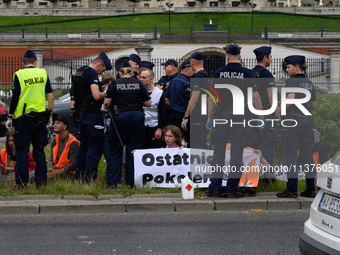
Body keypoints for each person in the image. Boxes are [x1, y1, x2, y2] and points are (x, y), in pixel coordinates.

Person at [207, 45, 263, 198]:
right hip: (239, 115)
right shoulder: (247, 73)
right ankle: (232, 189)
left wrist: (209, 118)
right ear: (239, 57)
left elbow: (212, 98)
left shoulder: (219, 72)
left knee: (218, 152)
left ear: (227, 56)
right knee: (236, 153)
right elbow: (255, 98)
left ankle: (214, 188)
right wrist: (260, 117)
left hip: (223, 115)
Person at [6, 49, 54, 189]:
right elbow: (50, 96)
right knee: (39, 150)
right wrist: (50, 115)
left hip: (23, 119)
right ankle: (41, 182)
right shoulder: (42, 73)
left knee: (22, 150)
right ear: (35, 62)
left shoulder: (19, 74)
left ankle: (21, 183)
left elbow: (15, 97)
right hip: (40, 118)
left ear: (22, 62)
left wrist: (10, 116)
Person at [103, 59, 151, 189]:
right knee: (133, 150)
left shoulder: (115, 84)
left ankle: (113, 182)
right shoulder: (138, 83)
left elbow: (106, 104)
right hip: (137, 117)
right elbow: (148, 103)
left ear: (119, 72)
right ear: (132, 72)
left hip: (120, 118)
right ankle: (131, 182)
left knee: (116, 150)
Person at [276, 55, 317, 198]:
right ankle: (311, 189)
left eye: (288, 67)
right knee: (307, 157)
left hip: (293, 121)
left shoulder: (291, 81)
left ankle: (292, 190)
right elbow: (313, 104)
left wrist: (279, 110)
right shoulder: (308, 82)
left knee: (291, 156)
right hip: (306, 121)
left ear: (297, 67)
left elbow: (290, 99)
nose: (286, 70)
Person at [76, 51, 112, 183]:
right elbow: (96, 96)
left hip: (82, 114)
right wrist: (106, 91)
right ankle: (90, 178)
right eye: (103, 69)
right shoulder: (91, 73)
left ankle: (79, 176)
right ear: (99, 64)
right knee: (94, 146)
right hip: (92, 115)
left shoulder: (80, 72)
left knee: (83, 146)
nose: (102, 73)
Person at [250, 46, 280, 165]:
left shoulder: (250, 74)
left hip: (252, 115)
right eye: (270, 57)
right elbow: (272, 97)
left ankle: (252, 176)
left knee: (252, 147)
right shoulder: (267, 75)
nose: (271, 59)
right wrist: (278, 115)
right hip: (267, 116)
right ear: (265, 58)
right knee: (268, 146)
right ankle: (267, 178)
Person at [182, 51, 210, 149]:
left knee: (197, 144)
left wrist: (185, 117)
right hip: (203, 114)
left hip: (197, 115)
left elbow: (194, 98)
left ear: (192, 63)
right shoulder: (206, 75)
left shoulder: (199, 77)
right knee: (201, 142)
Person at [164, 60, 194, 145]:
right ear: (187, 69)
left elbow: (166, 99)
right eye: (193, 69)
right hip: (184, 115)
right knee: (189, 139)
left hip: (173, 115)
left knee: (176, 140)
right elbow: (191, 100)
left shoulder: (173, 81)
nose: (194, 72)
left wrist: (174, 105)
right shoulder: (187, 82)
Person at [48, 115, 80, 180]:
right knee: (40, 175)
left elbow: (74, 163)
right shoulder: (54, 140)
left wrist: (58, 172)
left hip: (69, 172)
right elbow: (51, 160)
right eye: (55, 123)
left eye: (58, 123)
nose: (55, 125)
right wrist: (51, 169)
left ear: (64, 127)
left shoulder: (73, 142)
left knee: (55, 179)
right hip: (57, 170)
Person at [140, 69, 166, 149]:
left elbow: (162, 112)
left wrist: (159, 128)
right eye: (141, 77)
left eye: (144, 77)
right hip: (141, 126)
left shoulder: (159, 93)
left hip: (154, 126)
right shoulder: (139, 92)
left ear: (151, 79)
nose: (141, 79)